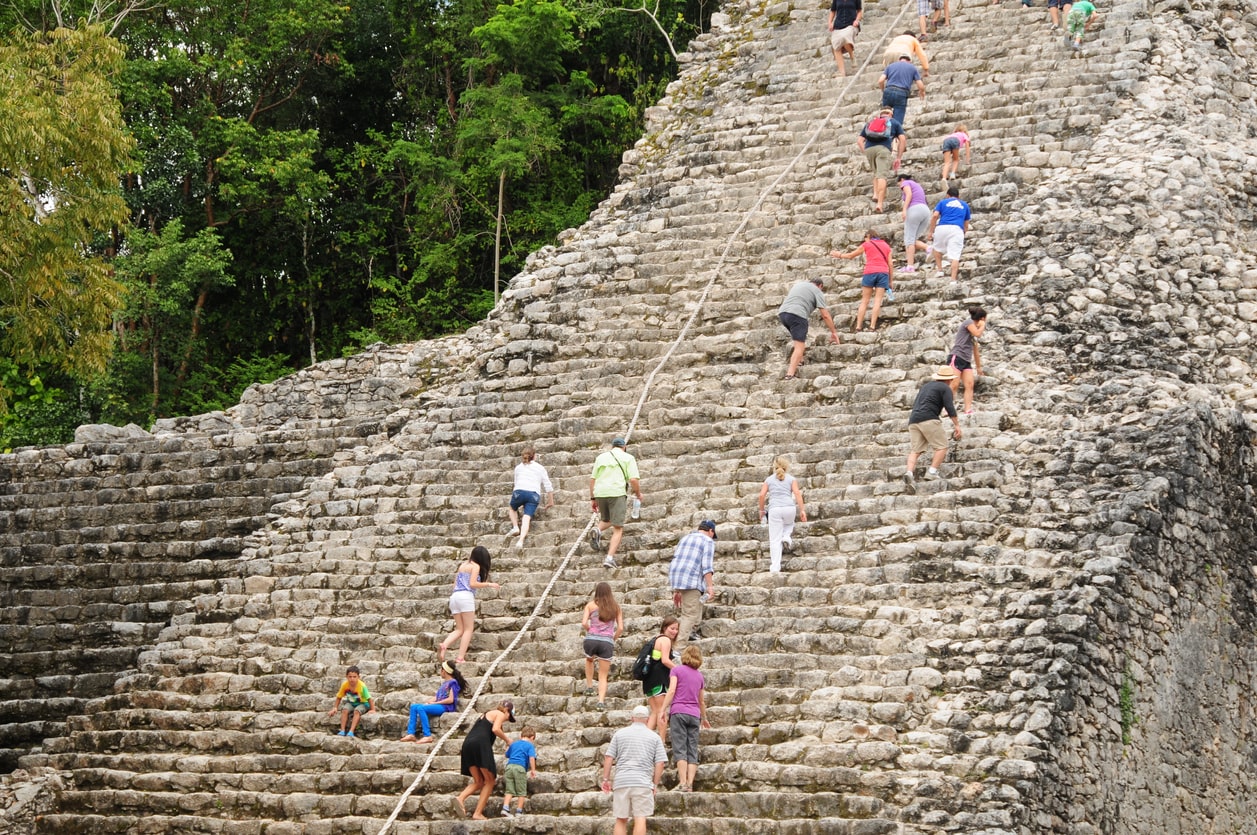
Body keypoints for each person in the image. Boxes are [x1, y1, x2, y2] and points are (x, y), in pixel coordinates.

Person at [601, 704, 669, 835]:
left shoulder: (619, 734)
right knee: (640, 818)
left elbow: (609, 757)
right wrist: (654, 784)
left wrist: (606, 779)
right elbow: (660, 763)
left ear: (632, 718)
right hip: (642, 782)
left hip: (622, 781)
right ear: (648, 719)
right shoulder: (654, 737)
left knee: (621, 819)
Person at [659, 646, 711, 793]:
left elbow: (672, 690)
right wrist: (704, 717)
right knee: (692, 749)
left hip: (679, 712)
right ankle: (690, 784)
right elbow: (701, 701)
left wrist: (663, 709)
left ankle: (682, 782)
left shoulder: (676, 670)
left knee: (680, 747)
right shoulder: (700, 676)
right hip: (694, 714)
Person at [903, 366, 963, 491]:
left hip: (914, 420)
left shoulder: (925, 386)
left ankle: (909, 473)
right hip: (929, 419)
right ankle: (932, 472)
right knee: (942, 446)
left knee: (915, 450)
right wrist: (957, 425)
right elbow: (949, 407)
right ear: (948, 380)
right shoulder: (945, 388)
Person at [454, 699, 516, 820]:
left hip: (467, 744)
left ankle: (460, 798)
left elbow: (495, 730)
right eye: (509, 716)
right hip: (480, 744)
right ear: (507, 711)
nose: (507, 719)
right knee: (490, 780)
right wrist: (508, 740)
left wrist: (506, 744)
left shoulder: (485, 715)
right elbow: (496, 729)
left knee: (479, 781)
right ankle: (477, 813)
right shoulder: (499, 713)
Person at [438, 546, 500, 663]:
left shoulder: (463, 565)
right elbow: (472, 584)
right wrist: (489, 584)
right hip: (466, 596)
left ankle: (444, 644)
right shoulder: (475, 566)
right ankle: (460, 657)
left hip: (455, 596)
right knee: (468, 629)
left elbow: (454, 584)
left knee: (459, 629)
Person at [589, 437, 643, 569]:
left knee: (607, 519)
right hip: (617, 492)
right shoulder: (628, 458)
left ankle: (597, 529)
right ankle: (609, 558)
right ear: (624, 447)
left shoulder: (601, 458)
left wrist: (593, 498)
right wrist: (638, 493)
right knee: (618, 527)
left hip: (600, 492)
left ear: (612, 446)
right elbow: (633, 480)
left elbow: (592, 479)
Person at [831, 229, 893, 332]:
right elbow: (890, 264)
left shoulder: (867, 244)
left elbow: (851, 255)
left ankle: (858, 326)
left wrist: (840, 255)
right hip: (883, 273)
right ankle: (872, 326)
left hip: (869, 272)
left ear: (868, 236)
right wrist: (890, 281)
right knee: (877, 301)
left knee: (864, 301)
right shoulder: (886, 246)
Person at [777, 278, 840, 380]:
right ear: (820, 286)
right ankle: (790, 373)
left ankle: (800, 360)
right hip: (798, 315)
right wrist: (833, 332)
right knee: (800, 346)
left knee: (797, 340)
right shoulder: (817, 291)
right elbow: (825, 315)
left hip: (783, 314)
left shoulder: (799, 285)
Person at [668, 521, 716, 653]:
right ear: (711, 531)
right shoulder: (708, 541)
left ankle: (692, 631)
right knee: (689, 613)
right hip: (692, 577)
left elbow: (677, 559)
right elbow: (706, 566)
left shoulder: (685, 538)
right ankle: (678, 648)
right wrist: (710, 587)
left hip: (677, 575)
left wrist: (677, 589)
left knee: (697, 601)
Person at [757, 457, 807, 573]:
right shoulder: (791, 479)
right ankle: (786, 536)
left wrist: (761, 511)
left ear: (774, 467)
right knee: (789, 523)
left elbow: (761, 495)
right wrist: (802, 510)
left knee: (774, 540)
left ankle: (775, 567)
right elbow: (797, 494)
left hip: (774, 509)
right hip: (789, 508)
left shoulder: (769, 480)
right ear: (786, 467)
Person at [401, 660, 467, 743]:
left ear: (444, 671)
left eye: (441, 670)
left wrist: (435, 703)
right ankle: (411, 733)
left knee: (421, 708)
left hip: (445, 707)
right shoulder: (444, 683)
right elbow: (437, 697)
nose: (440, 672)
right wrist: (428, 702)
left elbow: (451, 699)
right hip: (439, 705)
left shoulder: (453, 683)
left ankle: (427, 735)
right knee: (414, 707)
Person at [582, 581, 624, 710]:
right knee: (603, 674)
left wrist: (591, 631)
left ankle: (589, 687)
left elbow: (584, 623)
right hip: (606, 641)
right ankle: (600, 701)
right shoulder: (615, 607)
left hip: (591, 639)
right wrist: (613, 638)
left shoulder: (590, 605)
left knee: (589, 660)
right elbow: (621, 628)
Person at [856, 109, 906, 213]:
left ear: (881, 114)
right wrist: (899, 157)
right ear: (891, 114)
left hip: (869, 149)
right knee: (882, 175)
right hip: (883, 149)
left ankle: (875, 194)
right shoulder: (894, 122)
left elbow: (860, 140)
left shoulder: (871, 122)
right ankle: (879, 204)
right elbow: (902, 139)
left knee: (876, 172)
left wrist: (865, 152)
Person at [506, 447, 553, 549]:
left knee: (512, 508)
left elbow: (516, 482)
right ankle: (521, 540)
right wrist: (550, 501)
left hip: (519, 491)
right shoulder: (540, 468)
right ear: (534, 456)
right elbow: (547, 485)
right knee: (526, 517)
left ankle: (515, 527)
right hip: (533, 494)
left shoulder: (518, 468)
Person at [641, 617, 680, 740]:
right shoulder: (665, 640)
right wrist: (680, 670)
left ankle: (645, 740)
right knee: (661, 711)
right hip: (659, 678)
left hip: (649, 679)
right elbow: (665, 660)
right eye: (672, 628)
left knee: (655, 711)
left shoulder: (656, 639)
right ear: (664, 628)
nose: (674, 632)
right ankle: (661, 741)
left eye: (676, 629)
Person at [927, 185, 972, 282]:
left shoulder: (943, 202)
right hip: (957, 228)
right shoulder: (965, 205)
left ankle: (940, 270)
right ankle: (952, 280)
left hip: (942, 227)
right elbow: (966, 224)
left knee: (937, 249)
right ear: (958, 196)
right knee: (955, 255)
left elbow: (935, 216)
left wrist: (931, 231)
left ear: (947, 195)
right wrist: (963, 233)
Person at [947, 307, 987, 415]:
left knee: (969, 384)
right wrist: (982, 325)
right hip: (956, 356)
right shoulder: (968, 322)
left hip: (966, 360)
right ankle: (947, 409)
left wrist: (978, 367)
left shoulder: (972, 336)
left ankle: (968, 409)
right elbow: (978, 333)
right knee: (954, 384)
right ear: (982, 318)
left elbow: (976, 351)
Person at [877, 55, 925, 129]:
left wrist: (883, 90)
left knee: (885, 114)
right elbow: (920, 84)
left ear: (899, 60)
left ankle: (882, 131)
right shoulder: (912, 68)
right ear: (909, 61)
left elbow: (880, 80)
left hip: (889, 90)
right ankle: (895, 135)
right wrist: (922, 93)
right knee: (898, 119)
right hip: (902, 92)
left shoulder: (890, 66)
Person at [500, 727, 539, 817]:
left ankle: (505, 808)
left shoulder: (514, 744)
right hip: (520, 768)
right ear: (532, 737)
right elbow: (531, 758)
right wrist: (533, 770)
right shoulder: (530, 746)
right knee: (521, 790)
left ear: (521, 735)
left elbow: (507, 754)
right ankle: (519, 811)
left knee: (509, 789)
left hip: (509, 767)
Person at [327, 665, 375, 737]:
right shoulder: (345, 685)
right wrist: (335, 708)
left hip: (363, 703)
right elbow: (339, 697)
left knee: (357, 711)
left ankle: (351, 731)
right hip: (351, 702)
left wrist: (373, 709)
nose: (352, 679)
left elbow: (369, 698)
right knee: (344, 710)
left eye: (354, 677)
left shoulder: (362, 686)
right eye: (350, 677)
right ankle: (342, 730)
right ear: (346, 677)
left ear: (358, 677)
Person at [897, 174, 931, 273]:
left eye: (899, 183)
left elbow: (909, 194)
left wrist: (904, 210)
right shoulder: (917, 185)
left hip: (914, 210)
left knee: (909, 241)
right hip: (925, 211)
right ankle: (927, 248)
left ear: (902, 179)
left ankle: (910, 266)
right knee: (912, 239)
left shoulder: (906, 183)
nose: (900, 186)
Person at [826, 0, 863, 77]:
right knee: (836, 46)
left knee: (845, 37)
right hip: (838, 25)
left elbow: (859, 11)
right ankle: (842, 72)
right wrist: (830, 23)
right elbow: (833, 11)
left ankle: (852, 55)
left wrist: (857, 20)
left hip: (851, 24)